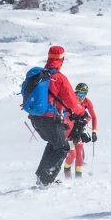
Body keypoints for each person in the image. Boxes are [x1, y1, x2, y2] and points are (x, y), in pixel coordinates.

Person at [26, 45, 85, 186]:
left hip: (35, 118)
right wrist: (82, 112)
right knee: (63, 147)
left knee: (54, 144)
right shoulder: (59, 78)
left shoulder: (38, 75)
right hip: (50, 119)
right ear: (62, 59)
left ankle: (42, 177)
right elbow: (71, 102)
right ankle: (46, 181)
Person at [63, 83, 98, 179]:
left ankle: (79, 179)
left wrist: (94, 132)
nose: (81, 98)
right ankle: (67, 173)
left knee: (80, 155)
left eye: (84, 95)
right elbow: (65, 115)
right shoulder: (70, 100)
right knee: (73, 154)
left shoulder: (87, 102)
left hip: (78, 130)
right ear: (76, 93)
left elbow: (93, 117)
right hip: (68, 132)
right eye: (79, 95)